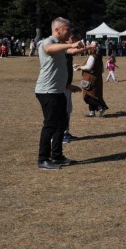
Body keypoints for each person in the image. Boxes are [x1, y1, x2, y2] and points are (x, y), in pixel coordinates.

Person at [35, 17, 88, 170]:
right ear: (57, 30)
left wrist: (85, 48)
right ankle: (43, 159)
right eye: (67, 29)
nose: (70, 32)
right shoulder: (48, 42)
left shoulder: (61, 45)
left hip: (58, 91)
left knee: (62, 124)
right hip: (47, 91)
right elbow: (49, 49)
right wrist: (71, 44)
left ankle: (57, 156)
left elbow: (70, 50)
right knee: (50, 125)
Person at [76, 43, 109, 117]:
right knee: (94, 95)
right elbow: (102, 70)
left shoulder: (92, 57)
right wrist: (80, 66)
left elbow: (88, 67)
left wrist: (80, 67)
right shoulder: (99, 57)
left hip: (90, 79)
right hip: (97, 79)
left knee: (87, 96)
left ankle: (101, 107)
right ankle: (92, 112)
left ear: (92, 49)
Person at [63, 30, 84, 144]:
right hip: (62, 86)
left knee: (68, 109)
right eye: (73, 39)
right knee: (63, 110)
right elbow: (73, 50)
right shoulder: (64, 48)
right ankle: (60, 134)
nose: (75, 41)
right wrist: (89, 46)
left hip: (67, 86)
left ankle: (65, 132)